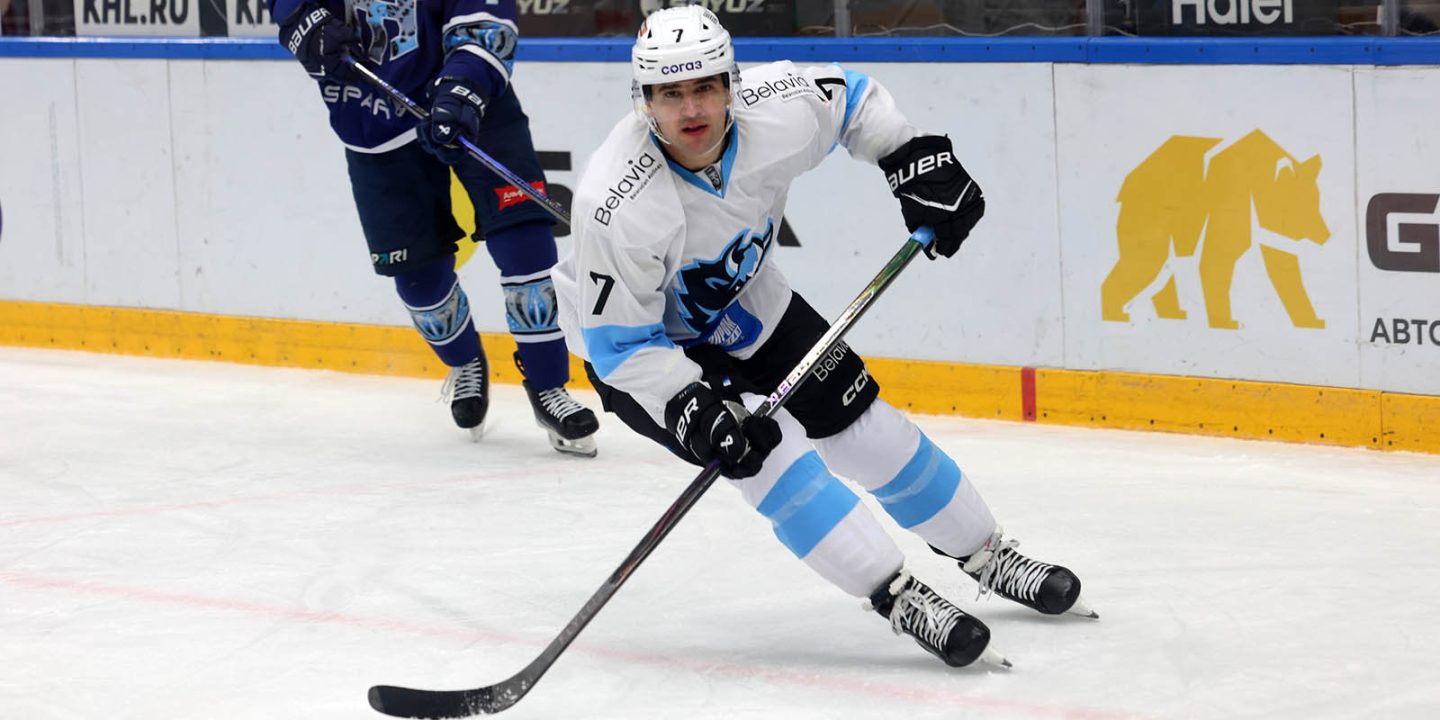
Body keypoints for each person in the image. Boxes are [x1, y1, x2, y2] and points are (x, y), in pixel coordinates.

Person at [552, 5, 1095, 667]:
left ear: (731, 83)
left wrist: (910, 157)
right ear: (643, 100)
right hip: (646, 356)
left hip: (746, 301)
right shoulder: (617, 203)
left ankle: (988, 554)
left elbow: (853, 100)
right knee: (768, 457)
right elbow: (620, 346)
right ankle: (895, 594)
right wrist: (690, 406)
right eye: (670, 94)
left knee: (865, 425)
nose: (691, 109)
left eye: (704, 87)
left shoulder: (775, 109)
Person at [269, 0, 599, 456]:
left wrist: (465, 85)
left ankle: (548, 385)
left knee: (525, 241)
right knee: (419, 279)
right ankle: (465, 361)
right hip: (370, 113)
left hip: (471, 101)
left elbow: (485, 15)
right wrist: (302, 19)